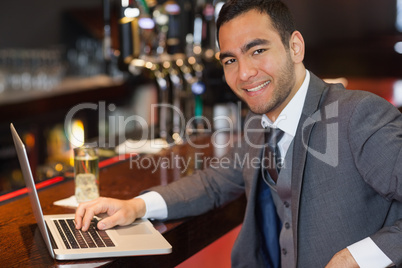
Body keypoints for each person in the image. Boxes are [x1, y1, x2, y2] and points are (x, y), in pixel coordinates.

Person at [75, 0, 402, 267]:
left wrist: (357, 257)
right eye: (230, 59)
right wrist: (136, 206)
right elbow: (213, 182)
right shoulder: (258, 125)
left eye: (257, 50)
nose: (244, 73)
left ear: (295, 47)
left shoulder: (357, 114)